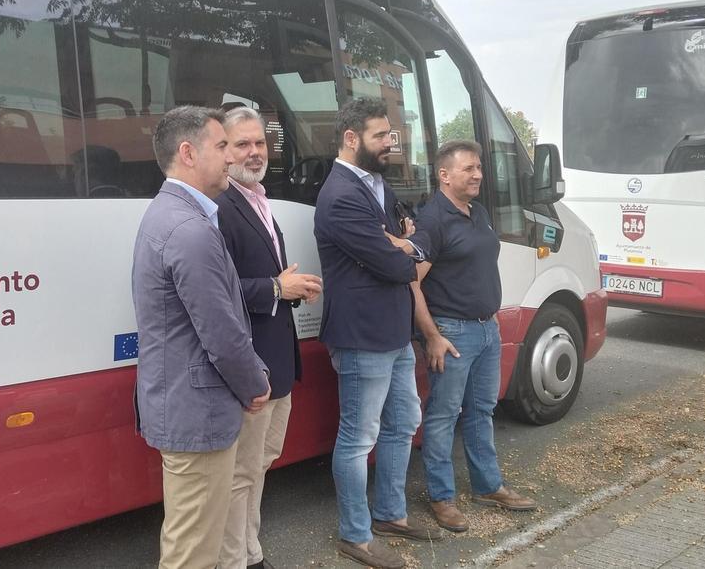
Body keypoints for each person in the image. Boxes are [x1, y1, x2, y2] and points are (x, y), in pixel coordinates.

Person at [131, 105, 271, 569]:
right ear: (188, 153)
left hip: (184, 405)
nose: (231, 158)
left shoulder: (170, 214)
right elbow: (222, 332)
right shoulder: (190, 229)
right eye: (222, 146)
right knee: (194, 552)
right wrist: (255, 385)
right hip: (199, 413)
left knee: (189, 540)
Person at [314, 97, 441, 569]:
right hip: (362, 335)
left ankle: (390, 514)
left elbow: (422, 236)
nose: (391, 143)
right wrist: (404, 246)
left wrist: (406, 241)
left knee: (405, 421)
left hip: (394, 330)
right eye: (381, 136)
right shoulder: (341, 196)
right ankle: (355, 535)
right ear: (352, 139)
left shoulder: (377, 185)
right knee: (357, 437)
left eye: (391, 135)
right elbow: (394, 264)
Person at [409, 139, 537, 535]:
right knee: (444, 415)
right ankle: (441, 497)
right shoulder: (432, 221)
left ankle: (488, 486)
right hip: (453, 332)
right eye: (469, 169)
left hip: (487, 327)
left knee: (482, 410)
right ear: (444, 175)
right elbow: (411, 284)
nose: (479, 174)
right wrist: (431, 335)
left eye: (479, 167)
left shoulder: (477, 212)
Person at [214, 107, 323, 569]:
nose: (254, 152)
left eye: (260, 142)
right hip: (250, 365)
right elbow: (214, 292)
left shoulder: (257, 197)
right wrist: (279, 288)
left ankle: (250, 550)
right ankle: (236, 560)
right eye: (242, 144)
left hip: (276, 359)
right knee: (241, 472)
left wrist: (289, 289)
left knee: (261, 462)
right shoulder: (220, 206)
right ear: (223, 150)